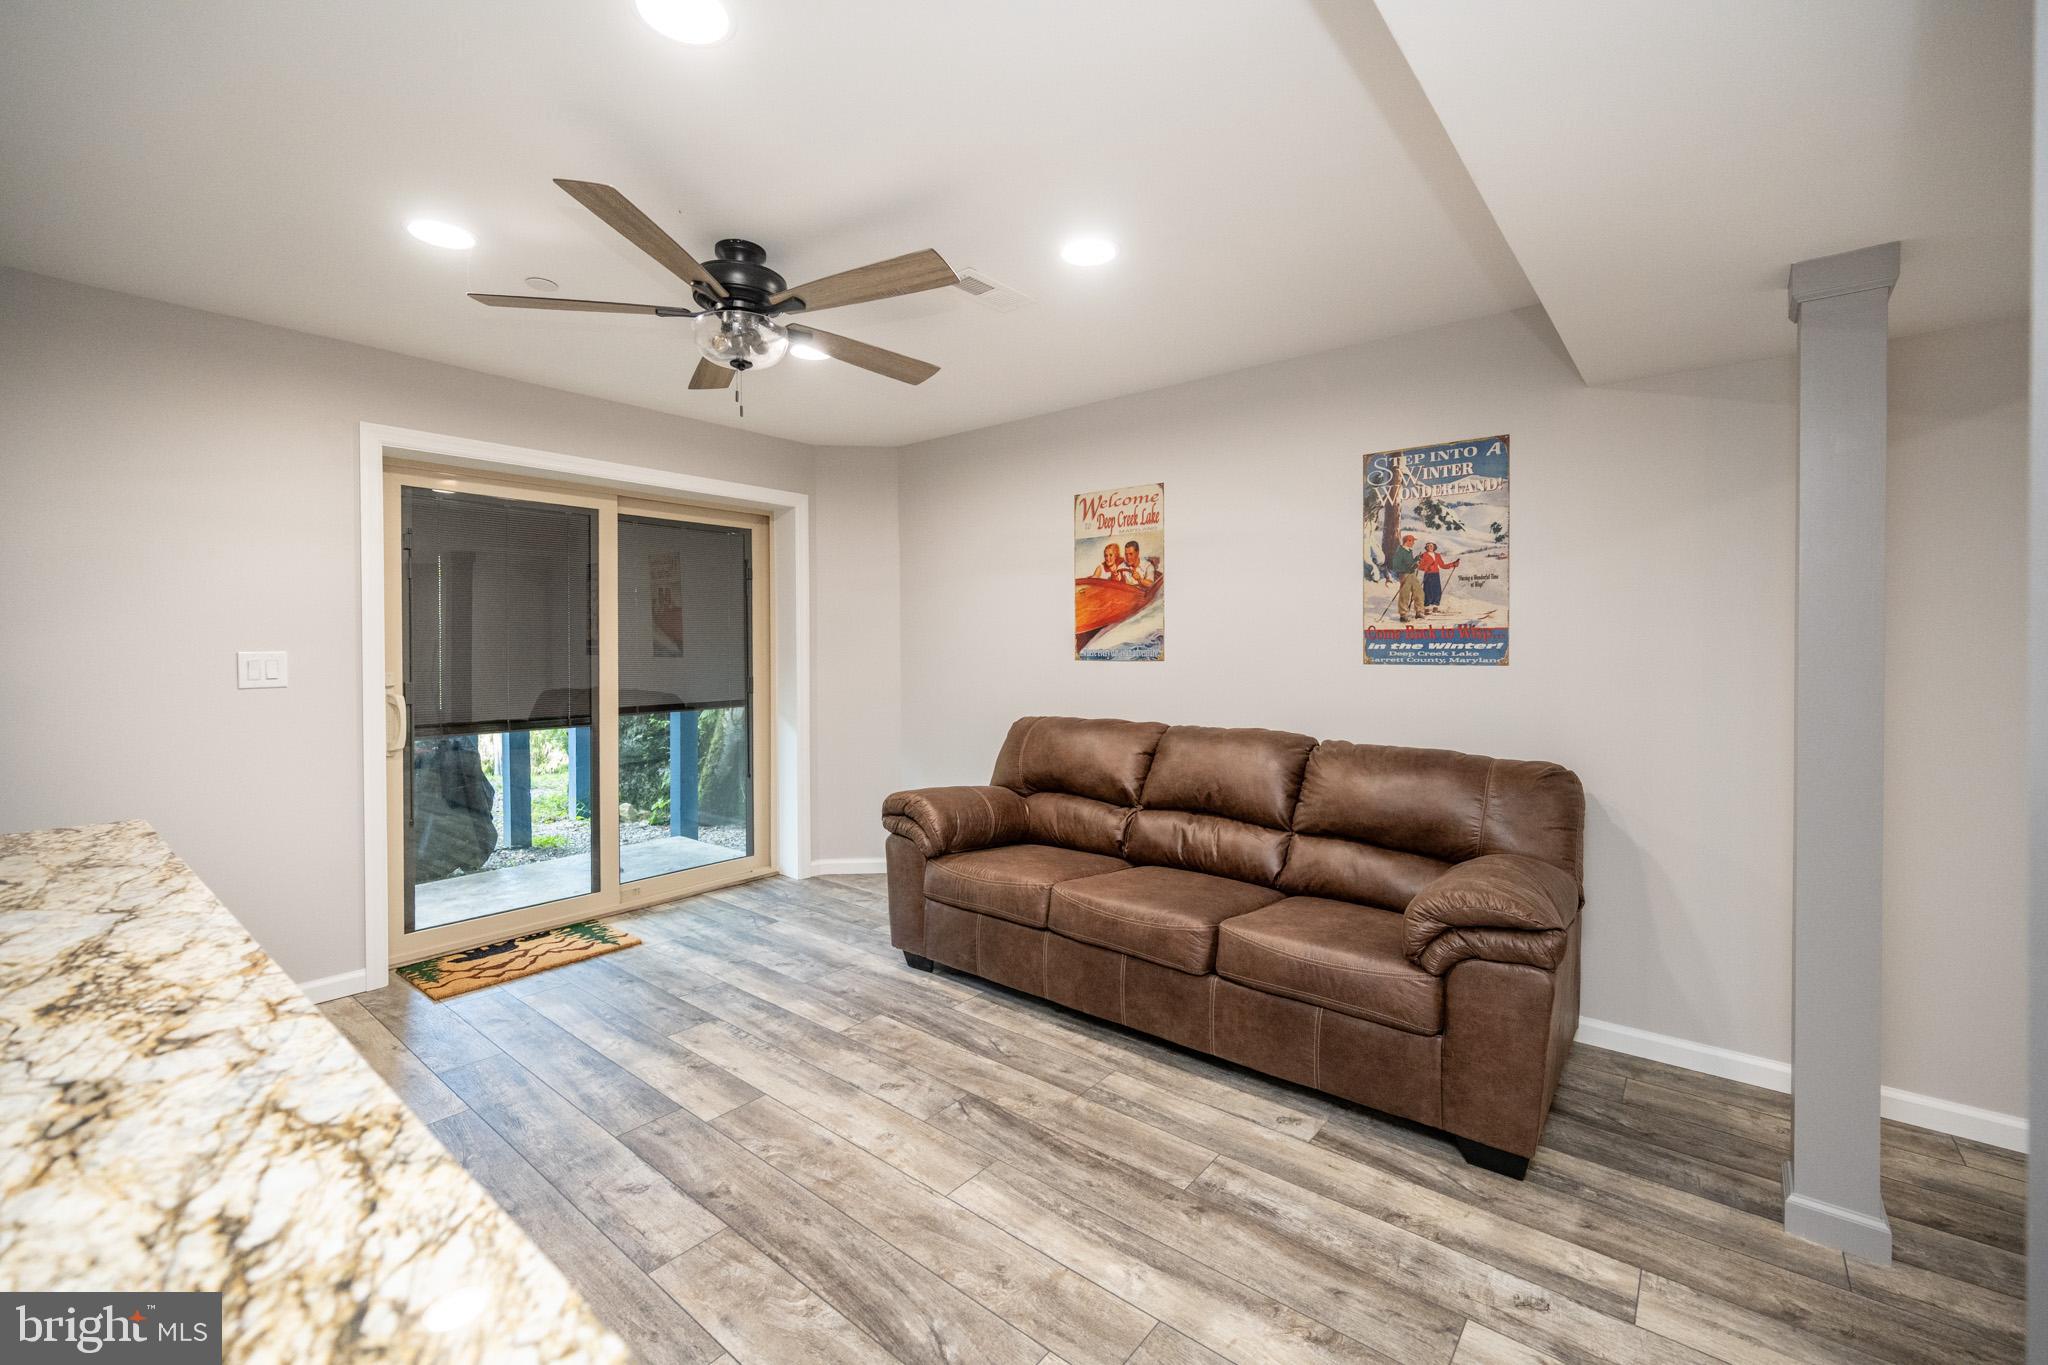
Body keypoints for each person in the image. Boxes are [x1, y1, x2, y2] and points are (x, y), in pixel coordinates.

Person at [1389, 534, 1424, 622]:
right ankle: (1403, 614)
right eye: (1412, 541)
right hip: (1405, 574)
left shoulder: (1409, 551)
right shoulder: (1400, 552)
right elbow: (1396, 566)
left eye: (1413, 541)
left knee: (1419, 592)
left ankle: (1419, 612)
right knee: (1405, 594)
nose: (1413, 543)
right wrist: (1411, 567)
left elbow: (1410, 563)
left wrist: (1417, 559)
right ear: (1407, 541)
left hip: (1411, 574)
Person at [1418, 542, 1461, 614]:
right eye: (1428, 546)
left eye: (1431, 546)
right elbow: (1420, 566)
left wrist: (1453, 564)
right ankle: (1426, 607)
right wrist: (1427, 568)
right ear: (1426, 548)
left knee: (1437, 590)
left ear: (1434, 547)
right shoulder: (1424, 555)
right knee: (1427, 590)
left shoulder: (1437, 555)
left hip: (1436, 574)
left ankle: (1435, 606)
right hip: (1428, 574)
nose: (1430, 547)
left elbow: (1443, 565)